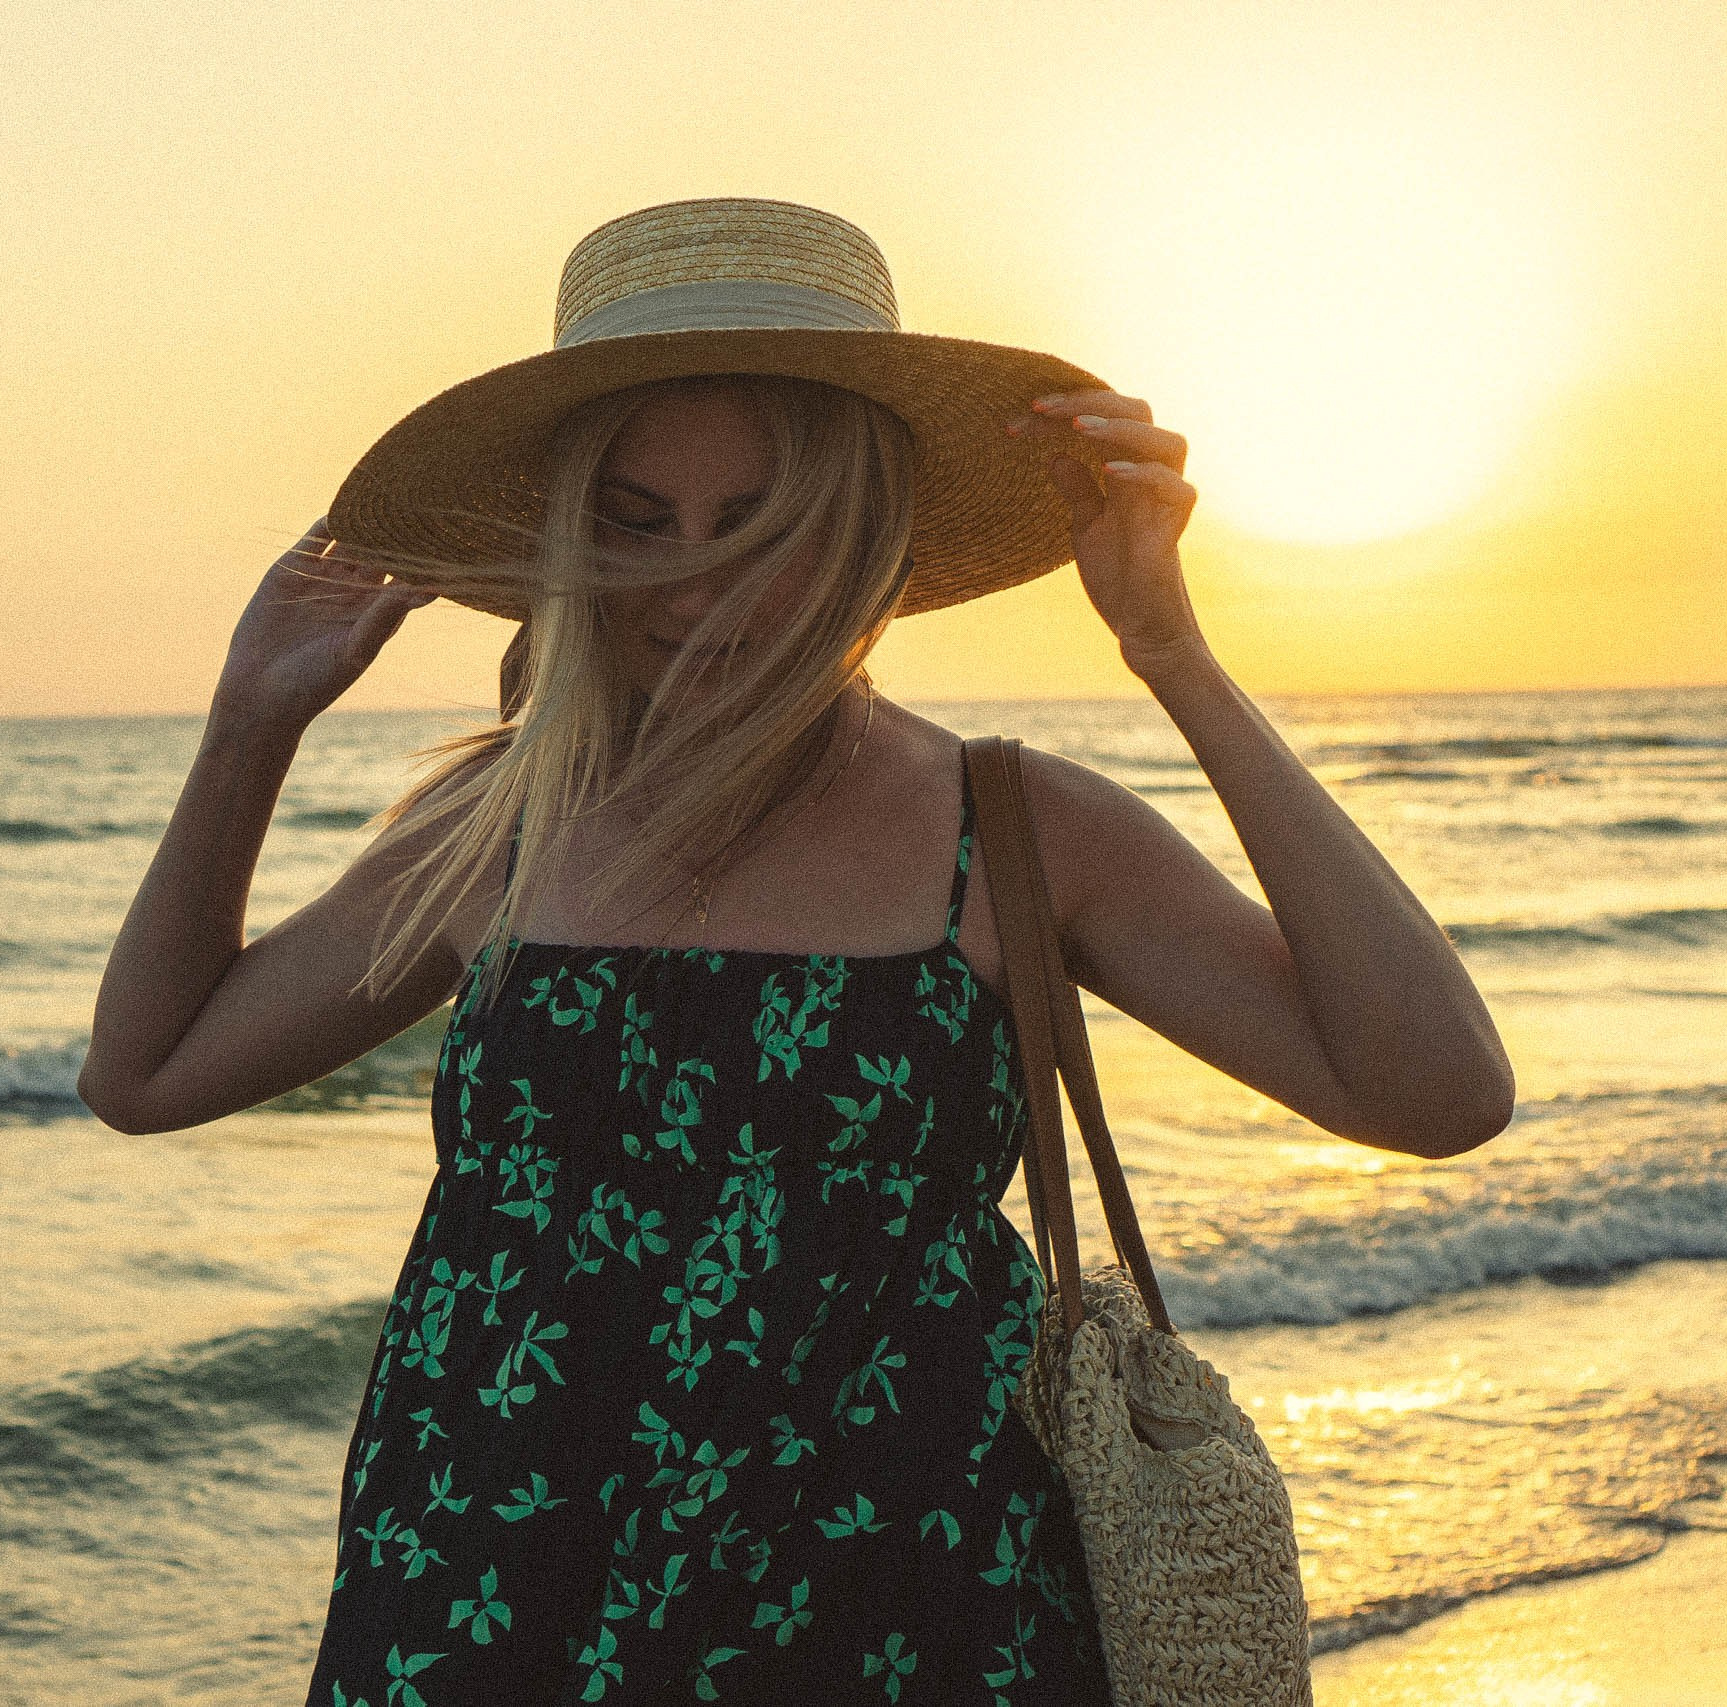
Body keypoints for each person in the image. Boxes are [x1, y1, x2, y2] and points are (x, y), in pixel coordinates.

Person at [78, 198, 1513, 1705]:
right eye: (638, 526)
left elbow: (1435, 1092)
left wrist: (1175, 657)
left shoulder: (1014, 830)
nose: (693, 591)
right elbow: (150, 1071)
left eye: (761, 530)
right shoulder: (506, 825)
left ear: (859, 537)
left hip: (906, 1619)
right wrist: (252, 723)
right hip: (491, 1598)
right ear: (575, 540)